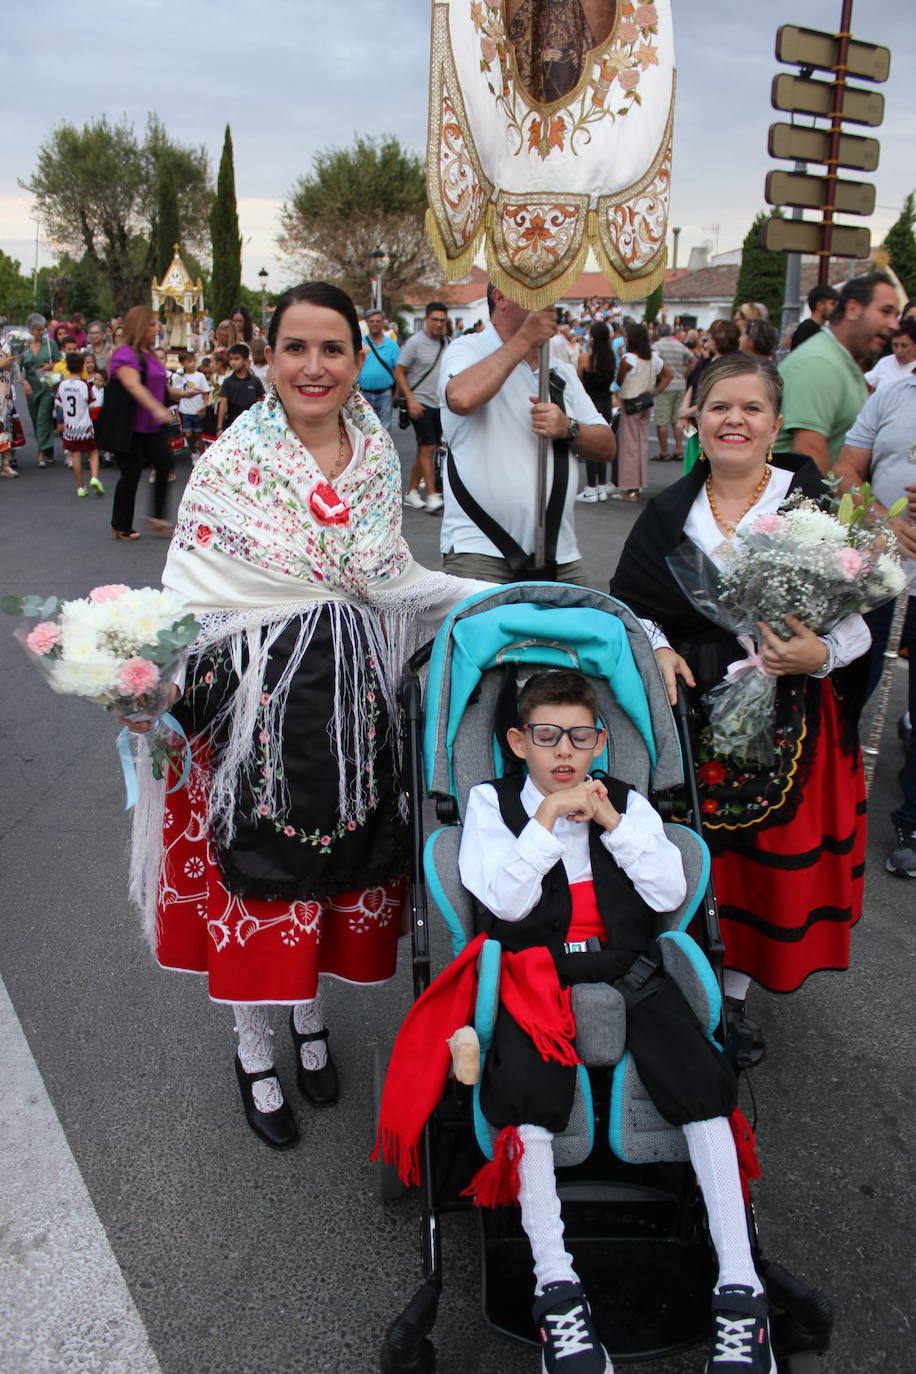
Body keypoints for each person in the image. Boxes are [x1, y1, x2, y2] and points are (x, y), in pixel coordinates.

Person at [126, 281, 484, 1148]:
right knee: (259, 882)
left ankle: (310, 1019)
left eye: (333, 348)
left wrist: (520, 601)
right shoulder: (227, 467)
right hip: (246, 708)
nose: (314, 367)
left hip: (349, 708)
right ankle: (253, 1045)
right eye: (296, 348)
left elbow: (396, 580)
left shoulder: (372, 462)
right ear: (268, 359)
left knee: (328, 875)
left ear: (360, 356)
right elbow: (190, 605)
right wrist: (154, 686)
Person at [376, 669, 772, 1374]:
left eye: (581, 737)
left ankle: (741, 1288)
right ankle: (557, 1290)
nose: (565, 752)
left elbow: (669, 890)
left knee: (701, 1080)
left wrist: (614, 824)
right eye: (548, 736)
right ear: (517, 741)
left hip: (631, 970)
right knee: (525, 1092)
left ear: (600, 741)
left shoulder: (627, 803)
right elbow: (504, 898)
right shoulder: (491, 805)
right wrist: (548, 821)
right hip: (537, 975)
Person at [610, 352, 871, 1006]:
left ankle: (735, 996)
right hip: (692, 706)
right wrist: (660, 647)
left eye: (751, 408)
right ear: (694, 417)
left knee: (762, 862)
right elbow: (632, 607)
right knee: (700, 850)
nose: (735, 420)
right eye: (720, 406)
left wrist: (821, 655)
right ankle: (686, 976)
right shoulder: (668, 511)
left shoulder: (813, 504)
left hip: (791, 712)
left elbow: (862, 620)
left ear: (775, 421)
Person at [439, 285, 613, 583]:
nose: (549, 301)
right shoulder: (468, 349)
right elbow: (461, 398)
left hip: (560, 551)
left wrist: (567, 428)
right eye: (536, 291)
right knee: (482, 630)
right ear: (501, 297)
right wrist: (524, 339)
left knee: (591, 626)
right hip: (480, 548)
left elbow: (607, 445)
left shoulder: (561, 371)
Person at [835, 375, 916, 877]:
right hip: (880, 577)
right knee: (848, 692)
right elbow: (846, 468)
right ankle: (833, 811)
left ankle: (912, 820)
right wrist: (886, 518)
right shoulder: (894, 391)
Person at [775, 271, 899, 472]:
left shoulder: (841, 361)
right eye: (886, 312)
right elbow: (809, 453)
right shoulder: (819, 362)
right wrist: (835, 503)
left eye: (896, 315)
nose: (894, 324)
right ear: (852, 309)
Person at [105, 306, 189, 541]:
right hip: (130, 427)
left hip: (151, 425)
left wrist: (183, 394)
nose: (157, 328)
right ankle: (120, 525)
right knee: (130, 475)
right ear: (140, 327)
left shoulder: (150, 354)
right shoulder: (124, 354)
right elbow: (133, 385)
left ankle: (158, 518)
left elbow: (159, 385)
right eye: (152, 324)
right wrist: (156, 408)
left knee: (165, 464)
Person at [394, 302, 450, 512]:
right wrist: (410, 399)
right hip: (419, 402)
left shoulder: (447, 342)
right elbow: (399, 371)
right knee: (428, 447)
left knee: (428, 447)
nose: (438, 324)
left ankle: (410, 491)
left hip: (440, 403)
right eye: (434, 319)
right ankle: (433, 495)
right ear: (426, 320)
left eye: (442, 320)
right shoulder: (415, 343)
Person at [613, 323, 672, 501]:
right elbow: (668, 375)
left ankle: (630, 489)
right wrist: (655, 391)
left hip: (630, 403)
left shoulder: (628, 359)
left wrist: (621, 357)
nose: (624, 339)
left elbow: (620, 380)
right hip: (646, 402)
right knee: (641, 445)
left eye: (625, 336)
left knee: (629, 446)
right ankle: (637, 486)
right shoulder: (654, 358)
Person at [575, 321, 614, 501]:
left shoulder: (586, 358)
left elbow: (579, 380)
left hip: (591, 402)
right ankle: (601, 486)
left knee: (591, 445)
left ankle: (590, 488)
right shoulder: (612, 357)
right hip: (606, 401)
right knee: (603, 439)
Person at [56, 352, 104, 498]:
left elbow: (59, 404)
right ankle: (94, 477)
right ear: (82, 366)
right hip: (84, 425)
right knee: (93, 451)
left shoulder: (62, 385)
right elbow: (91, 403)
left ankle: (80, 487)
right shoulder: (84, 385)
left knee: (75, 455)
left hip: (70, 426)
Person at [19, 313, 61, 467]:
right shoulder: (22, 345)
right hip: (31, 385)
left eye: (43, 329)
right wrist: (24, 382)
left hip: (47, 385)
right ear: (30, 329)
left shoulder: (50, 344)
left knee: (43, 417)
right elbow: (17, 367)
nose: (41, 332)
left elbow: (60, 362)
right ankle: (48, 448)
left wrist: (51, 366)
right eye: (38, 329)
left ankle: (41, 453)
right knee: (36, 418)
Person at [652, 322, 693, 463]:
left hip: (665, 385)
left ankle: (664, 452)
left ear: (659, 333)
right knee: (677, 420)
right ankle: (678, 450)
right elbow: (693, 359)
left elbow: (653, 363)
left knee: (662, 420)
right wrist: (685, 374)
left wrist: (657, 379)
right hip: (680, 384)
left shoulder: (657, 346)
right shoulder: (679, 345)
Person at [358, 308, 400, 431]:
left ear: (383, 323)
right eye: (371, 321)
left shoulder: (392, 345)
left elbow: (398, 371)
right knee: (363, 430)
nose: (375, 324)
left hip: (385, 394)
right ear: (367, 323)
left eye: (378, 321)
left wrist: (397, 393)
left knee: (384, 430)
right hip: (363, 393)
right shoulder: (360, 343)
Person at [216, 343, 265, 434]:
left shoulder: (255, 381)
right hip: (233, 424)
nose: (233, 362)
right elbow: (223, 404)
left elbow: (261, 402)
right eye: (231, 359)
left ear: (245, 361)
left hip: (253, 425)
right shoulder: (228, 382)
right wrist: (219, 427)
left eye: (237, 359)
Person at [172, 350, 210, 462]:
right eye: (189, 361)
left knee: (199, 434)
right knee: (188, 434)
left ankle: (202, 456)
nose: (192, 363)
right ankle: (193, 452)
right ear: (183, 363)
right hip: (185, 410)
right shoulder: (179, 376)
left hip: (197, 410)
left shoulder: (200, 376)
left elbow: (206, 393)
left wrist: (204, 406)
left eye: (194, 361)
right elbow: (175, 390)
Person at [864, 318, 916, 390]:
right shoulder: (885, 362)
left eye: (904, 346)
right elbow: (866, 383)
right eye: (895, 345)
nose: (899, 350)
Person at [790, 285, 839, 351]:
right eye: (833, 304)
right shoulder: (806, 329)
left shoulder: (819, 329)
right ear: (820, 305)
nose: (836, 308)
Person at [0, 346, 18, 478]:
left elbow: (10, 369)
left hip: (4, 393)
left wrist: (12, 361)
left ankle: (6, 464)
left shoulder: (3, 347)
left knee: (6, 428)